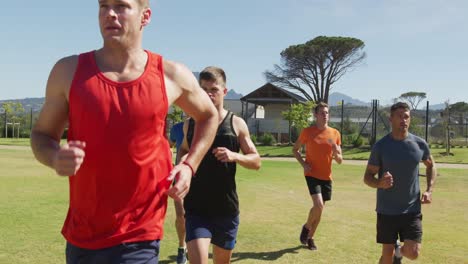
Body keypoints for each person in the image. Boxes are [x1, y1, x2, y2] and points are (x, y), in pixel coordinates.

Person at [30, 0, 218, 263]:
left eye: (121, 6)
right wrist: (54, 157)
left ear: (145, 16)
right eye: (103, 6)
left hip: (139, 233)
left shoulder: (171, 75)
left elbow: (209, 115)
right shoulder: (68, 71)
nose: (110, 13)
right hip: (82, 233)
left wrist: (189, 165)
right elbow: (41, 135)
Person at [177, 66, 261, 264]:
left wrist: (235, 156)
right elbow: (183, 150)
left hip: (226, 208)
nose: (208, 94)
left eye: (213, 89)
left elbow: (256, 161)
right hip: (197, 207)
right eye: (204, 89)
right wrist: (182, 164)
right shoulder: (191, 123)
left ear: (224, 91)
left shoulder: (236, 124)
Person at [363, 102, 436, 264]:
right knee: (386, 255)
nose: (403, 120)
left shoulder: (419, 144)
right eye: (399, 116)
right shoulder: (381, 146)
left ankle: (399, 251)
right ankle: (393, 252)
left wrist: (429, 189)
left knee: (413, 252)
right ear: (391, 119)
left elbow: (431, 165)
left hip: (412, 209)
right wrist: (380, 183)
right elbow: (367, 177)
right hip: (387, 209)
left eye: (406, 117)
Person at [292, 102, 342, 250]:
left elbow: (340, 160)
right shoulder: (307, 132)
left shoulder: (335, 134)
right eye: (322, 113)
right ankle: (307, 227)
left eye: (327, 112)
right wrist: (303, 164)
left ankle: (310, 237)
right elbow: (295, 150)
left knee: (319, 210)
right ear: (315, 115)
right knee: (318, 205)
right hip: (311, 173)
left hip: (326, 176)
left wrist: (336, 153)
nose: (325, 115)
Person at [169, 120, 188, 264]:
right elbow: (168, 146)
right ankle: (182, 247)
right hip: (179, 178)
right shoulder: (176, 128)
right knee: (181, 215)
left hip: (201, 180)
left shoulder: (206, 123)